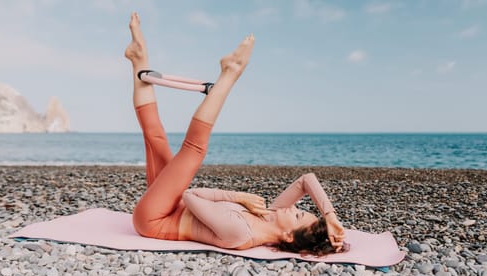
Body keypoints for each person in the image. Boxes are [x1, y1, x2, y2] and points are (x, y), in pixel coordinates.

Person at [125, 12, 346, 256]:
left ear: (288, 236)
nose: (292, 207)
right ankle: (138, 60)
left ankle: (230, 73)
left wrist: (240, 197)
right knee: (156, 138)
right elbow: (307, 179)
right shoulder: (270, 213)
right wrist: (330, 215)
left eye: (297, 214)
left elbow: (191, 195)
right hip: (170, 205)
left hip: (154, 219)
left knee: (194, 150)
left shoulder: (242, 235)